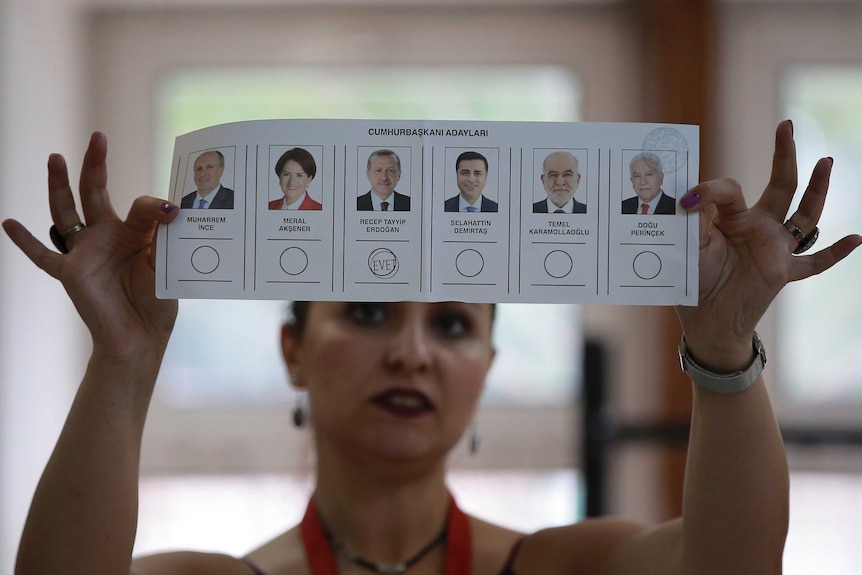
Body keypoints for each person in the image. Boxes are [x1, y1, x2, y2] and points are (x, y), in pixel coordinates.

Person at [3, 121, 860, 575]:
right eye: (369, 312)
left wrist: (723, 347)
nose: (413, 352)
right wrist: (124, 357)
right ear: (293, 350)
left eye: (453, 325)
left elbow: (733, 568)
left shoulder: (570, 564)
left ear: (487, 367)